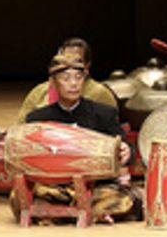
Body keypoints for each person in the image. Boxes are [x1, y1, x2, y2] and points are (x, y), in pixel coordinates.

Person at [15, 54, 138, 222]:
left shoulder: (103, 113)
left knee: (124, 199)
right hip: (56, 188)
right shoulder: (38, 119)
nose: (73, 84)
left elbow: (127, 148)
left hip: (95, 187)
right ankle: (86, 212)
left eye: (78, 78)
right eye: (66, 78)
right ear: (53, 82)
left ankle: (60, 214)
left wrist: (126, 151)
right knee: (18, 197)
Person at [12, 37, 117, 124]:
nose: (68, 63)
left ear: (87, 65)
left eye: (76, 60)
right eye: (64, 59)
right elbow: (21, 127)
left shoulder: (101, 94)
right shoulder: (38, 92)